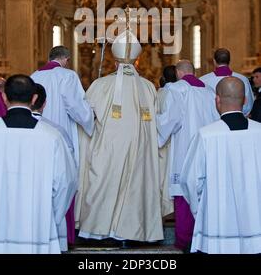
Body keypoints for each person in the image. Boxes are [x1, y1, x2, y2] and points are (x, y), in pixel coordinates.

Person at [77, 29, 163, 243]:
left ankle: (99, 230)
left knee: (104, 181)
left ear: (114, 62)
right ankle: (134, 231)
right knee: (135, 185)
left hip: (108, 149)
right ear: (137, 62)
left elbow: (86, 117)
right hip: (140, 150)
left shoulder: (100, 84)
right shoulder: (148, 87)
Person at [0, 75, 77, 254]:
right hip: (38, 230)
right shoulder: (52, 136)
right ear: (33, 98)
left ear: (4, 97)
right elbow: (67, 184)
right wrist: (50, 217)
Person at [180, 76, 261, 254]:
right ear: (245, 100)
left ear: (217, 100)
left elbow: (190, 181)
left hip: (218, 223)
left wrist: (200, 210)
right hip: (257, 223)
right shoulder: (259, 132)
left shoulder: (206, 135)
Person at [31, 45, 94, 244]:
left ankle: (41, 233)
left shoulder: (33, 76)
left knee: (41, 183)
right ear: (66, 59)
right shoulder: (67, 76)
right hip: (61, 135)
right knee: (64, 183)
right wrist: (90, 117)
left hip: (37, 135)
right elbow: (76, 105)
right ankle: (63, 236)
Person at [156, 60, 219, 252]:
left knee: (184, 192)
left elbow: (171, 120)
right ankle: (205, 238)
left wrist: (154, 123)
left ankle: (185, 239)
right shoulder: (209, 90)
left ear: (178, 72)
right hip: (207, 145)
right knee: (204, 192)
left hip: (185, 146)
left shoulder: (176, 89)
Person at [200, 48, 254, 116]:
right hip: (235, 121)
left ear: (214, 61)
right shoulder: (242, 79)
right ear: (229, 61)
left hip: (209, 121)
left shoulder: (203, 80)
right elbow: (248, 105)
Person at [157, 65, 177, 218]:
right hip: (171, 140)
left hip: (160, 140)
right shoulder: (175, 92)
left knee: (161, 175)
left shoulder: (159, 92)